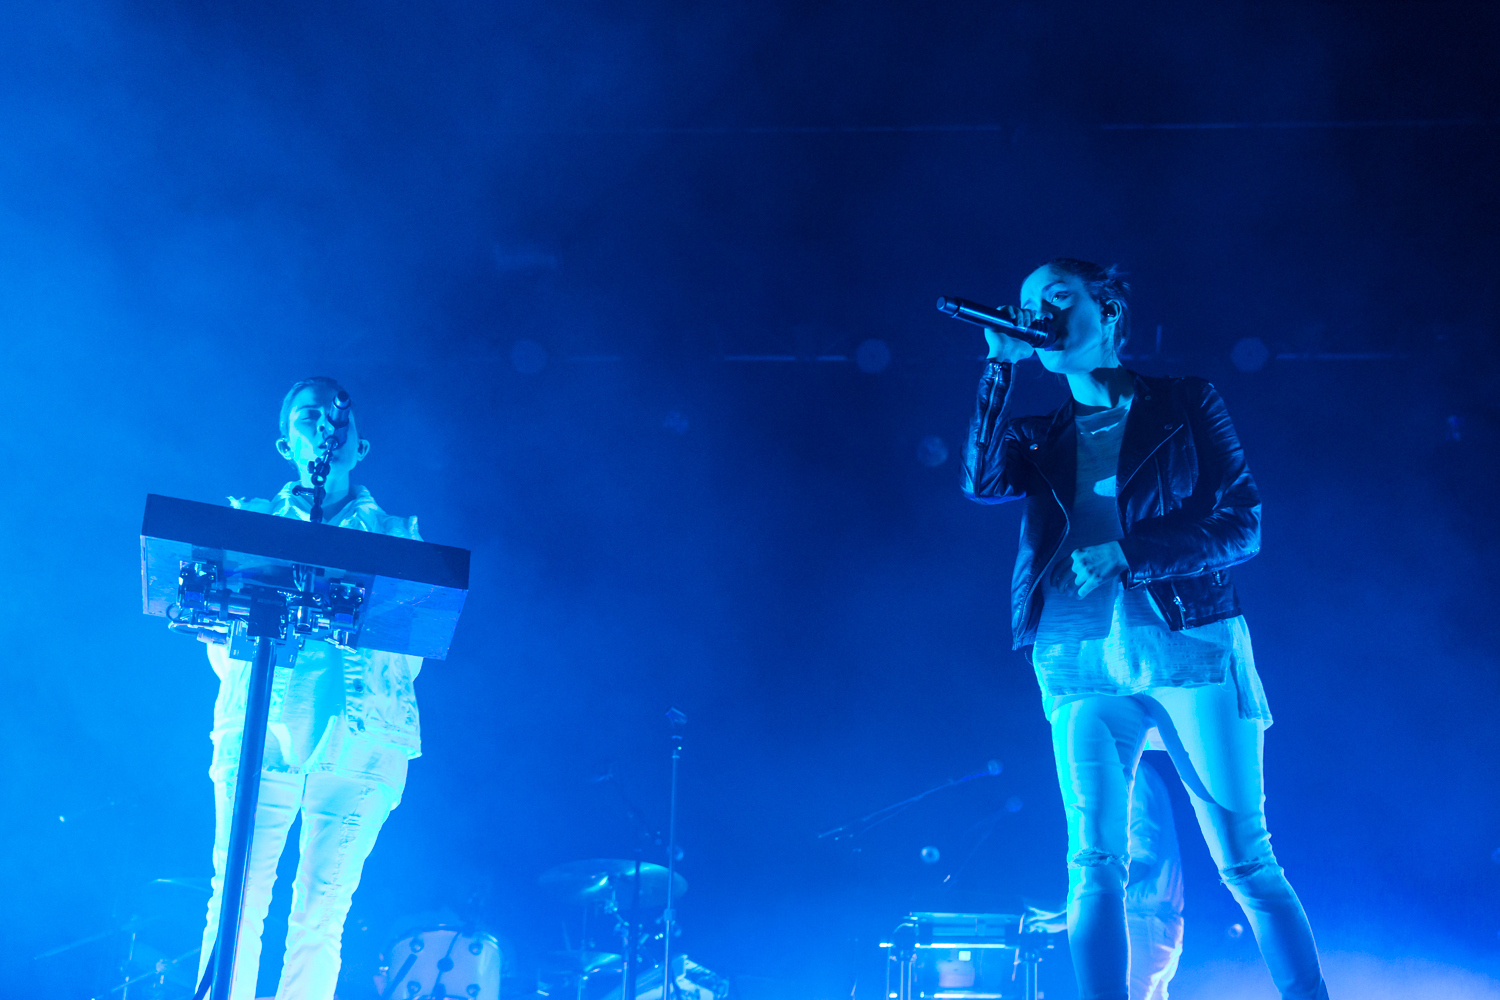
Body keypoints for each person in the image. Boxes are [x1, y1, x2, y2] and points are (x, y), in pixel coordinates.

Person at [961, 260, 1328, 1000]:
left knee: (1245, 858)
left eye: (1058, 298)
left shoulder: (1185, 401)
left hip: (1187, 644)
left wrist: (1132, 554)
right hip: (1077, 654)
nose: (1039, 312)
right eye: (1029, 303)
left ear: (1110, 312)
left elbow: (1243, 522)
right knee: (1092, 861)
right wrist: (997, 370)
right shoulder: (1040, 437)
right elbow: (979, 481)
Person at [196, 376, 425, 1000]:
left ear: (361, 447)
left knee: (320, 916)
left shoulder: (400, 537)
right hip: (260, 731)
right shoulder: (248, 526)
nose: (327, 422)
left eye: (337, 415)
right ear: (285, 443)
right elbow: (221, 647)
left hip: (361, 742)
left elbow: (411, 656)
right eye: (308, 415)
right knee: (235, 900)